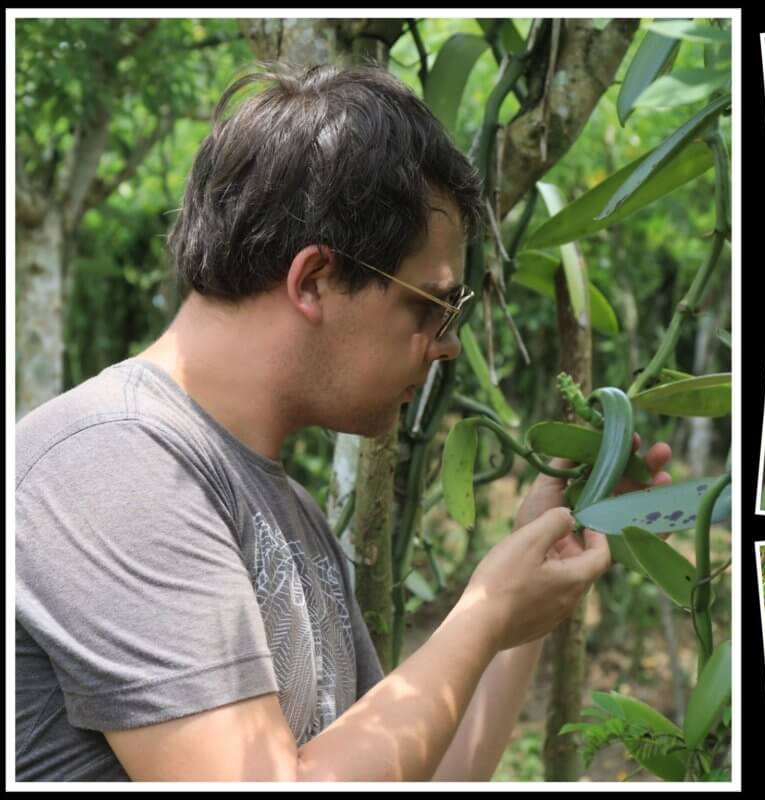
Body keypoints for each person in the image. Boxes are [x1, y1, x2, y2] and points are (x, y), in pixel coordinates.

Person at [15, 62, 671, 781]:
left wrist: (520, 602)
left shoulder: (289, 513)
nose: (447, 343)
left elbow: (423, 769)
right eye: (430, 305)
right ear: (315, 280)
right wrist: (482, 611)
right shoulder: (109, 465)